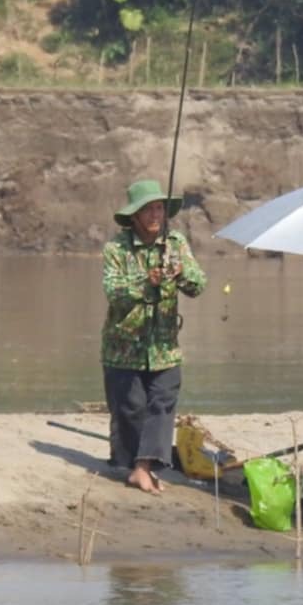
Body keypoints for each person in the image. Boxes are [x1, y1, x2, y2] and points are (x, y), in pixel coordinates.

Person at [102, 178, 206, 493]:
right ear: (134, 216)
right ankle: (131, 462)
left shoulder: (175, 243)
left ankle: (143, 467)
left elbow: (198, 284)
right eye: (147, 210)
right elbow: (114, 291)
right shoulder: (116, 249)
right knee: (130, 409)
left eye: (159, 209)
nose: (154, 216)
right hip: (124, 347)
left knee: (162, 402)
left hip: (164, 347)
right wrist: (146, 280)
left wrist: (180, 273)